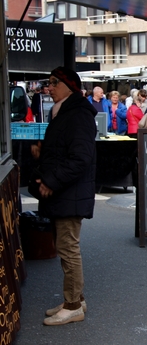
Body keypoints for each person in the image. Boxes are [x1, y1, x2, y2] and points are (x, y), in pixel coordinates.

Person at [31, 66, 97, 326]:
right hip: (66, 192)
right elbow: (65, 149)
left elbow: (80, 157)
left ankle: (72, 306)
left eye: (53, 82)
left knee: (68, 249)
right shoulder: (64, 111)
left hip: (70, 192)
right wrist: (43, 152)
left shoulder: (77, 113)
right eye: (48, 83)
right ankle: (76, 299)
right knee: (65, 247)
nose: (49, 87)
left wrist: (51, 181)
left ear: (68, 85)